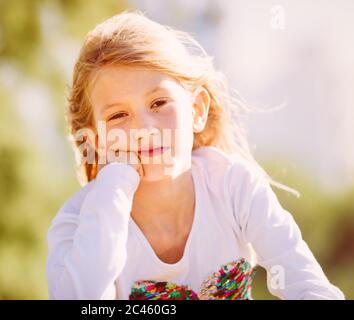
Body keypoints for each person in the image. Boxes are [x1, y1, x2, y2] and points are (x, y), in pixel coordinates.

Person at [46, 10, 345, 300]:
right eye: (118, 115)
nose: (144, 129)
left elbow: (307, 284)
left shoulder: (233, 186)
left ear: (196, 110)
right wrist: (113, 181)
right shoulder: (77, 223)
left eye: (159, 103)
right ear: (95, 140)